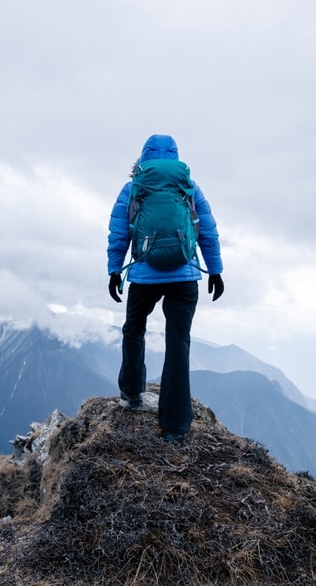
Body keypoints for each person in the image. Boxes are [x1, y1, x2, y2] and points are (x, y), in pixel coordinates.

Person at [106, 134, 224, 444]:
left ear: (142, 159)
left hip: (144, 276)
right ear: (175, 158)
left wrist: (114, 271)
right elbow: (207, 231)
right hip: (184, 277)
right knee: (178, 343)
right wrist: (215, 270)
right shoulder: (189, 187)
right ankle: (174, 428)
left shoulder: (133, 189)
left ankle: (131, 393)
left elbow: (119, 234)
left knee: (134, 328)